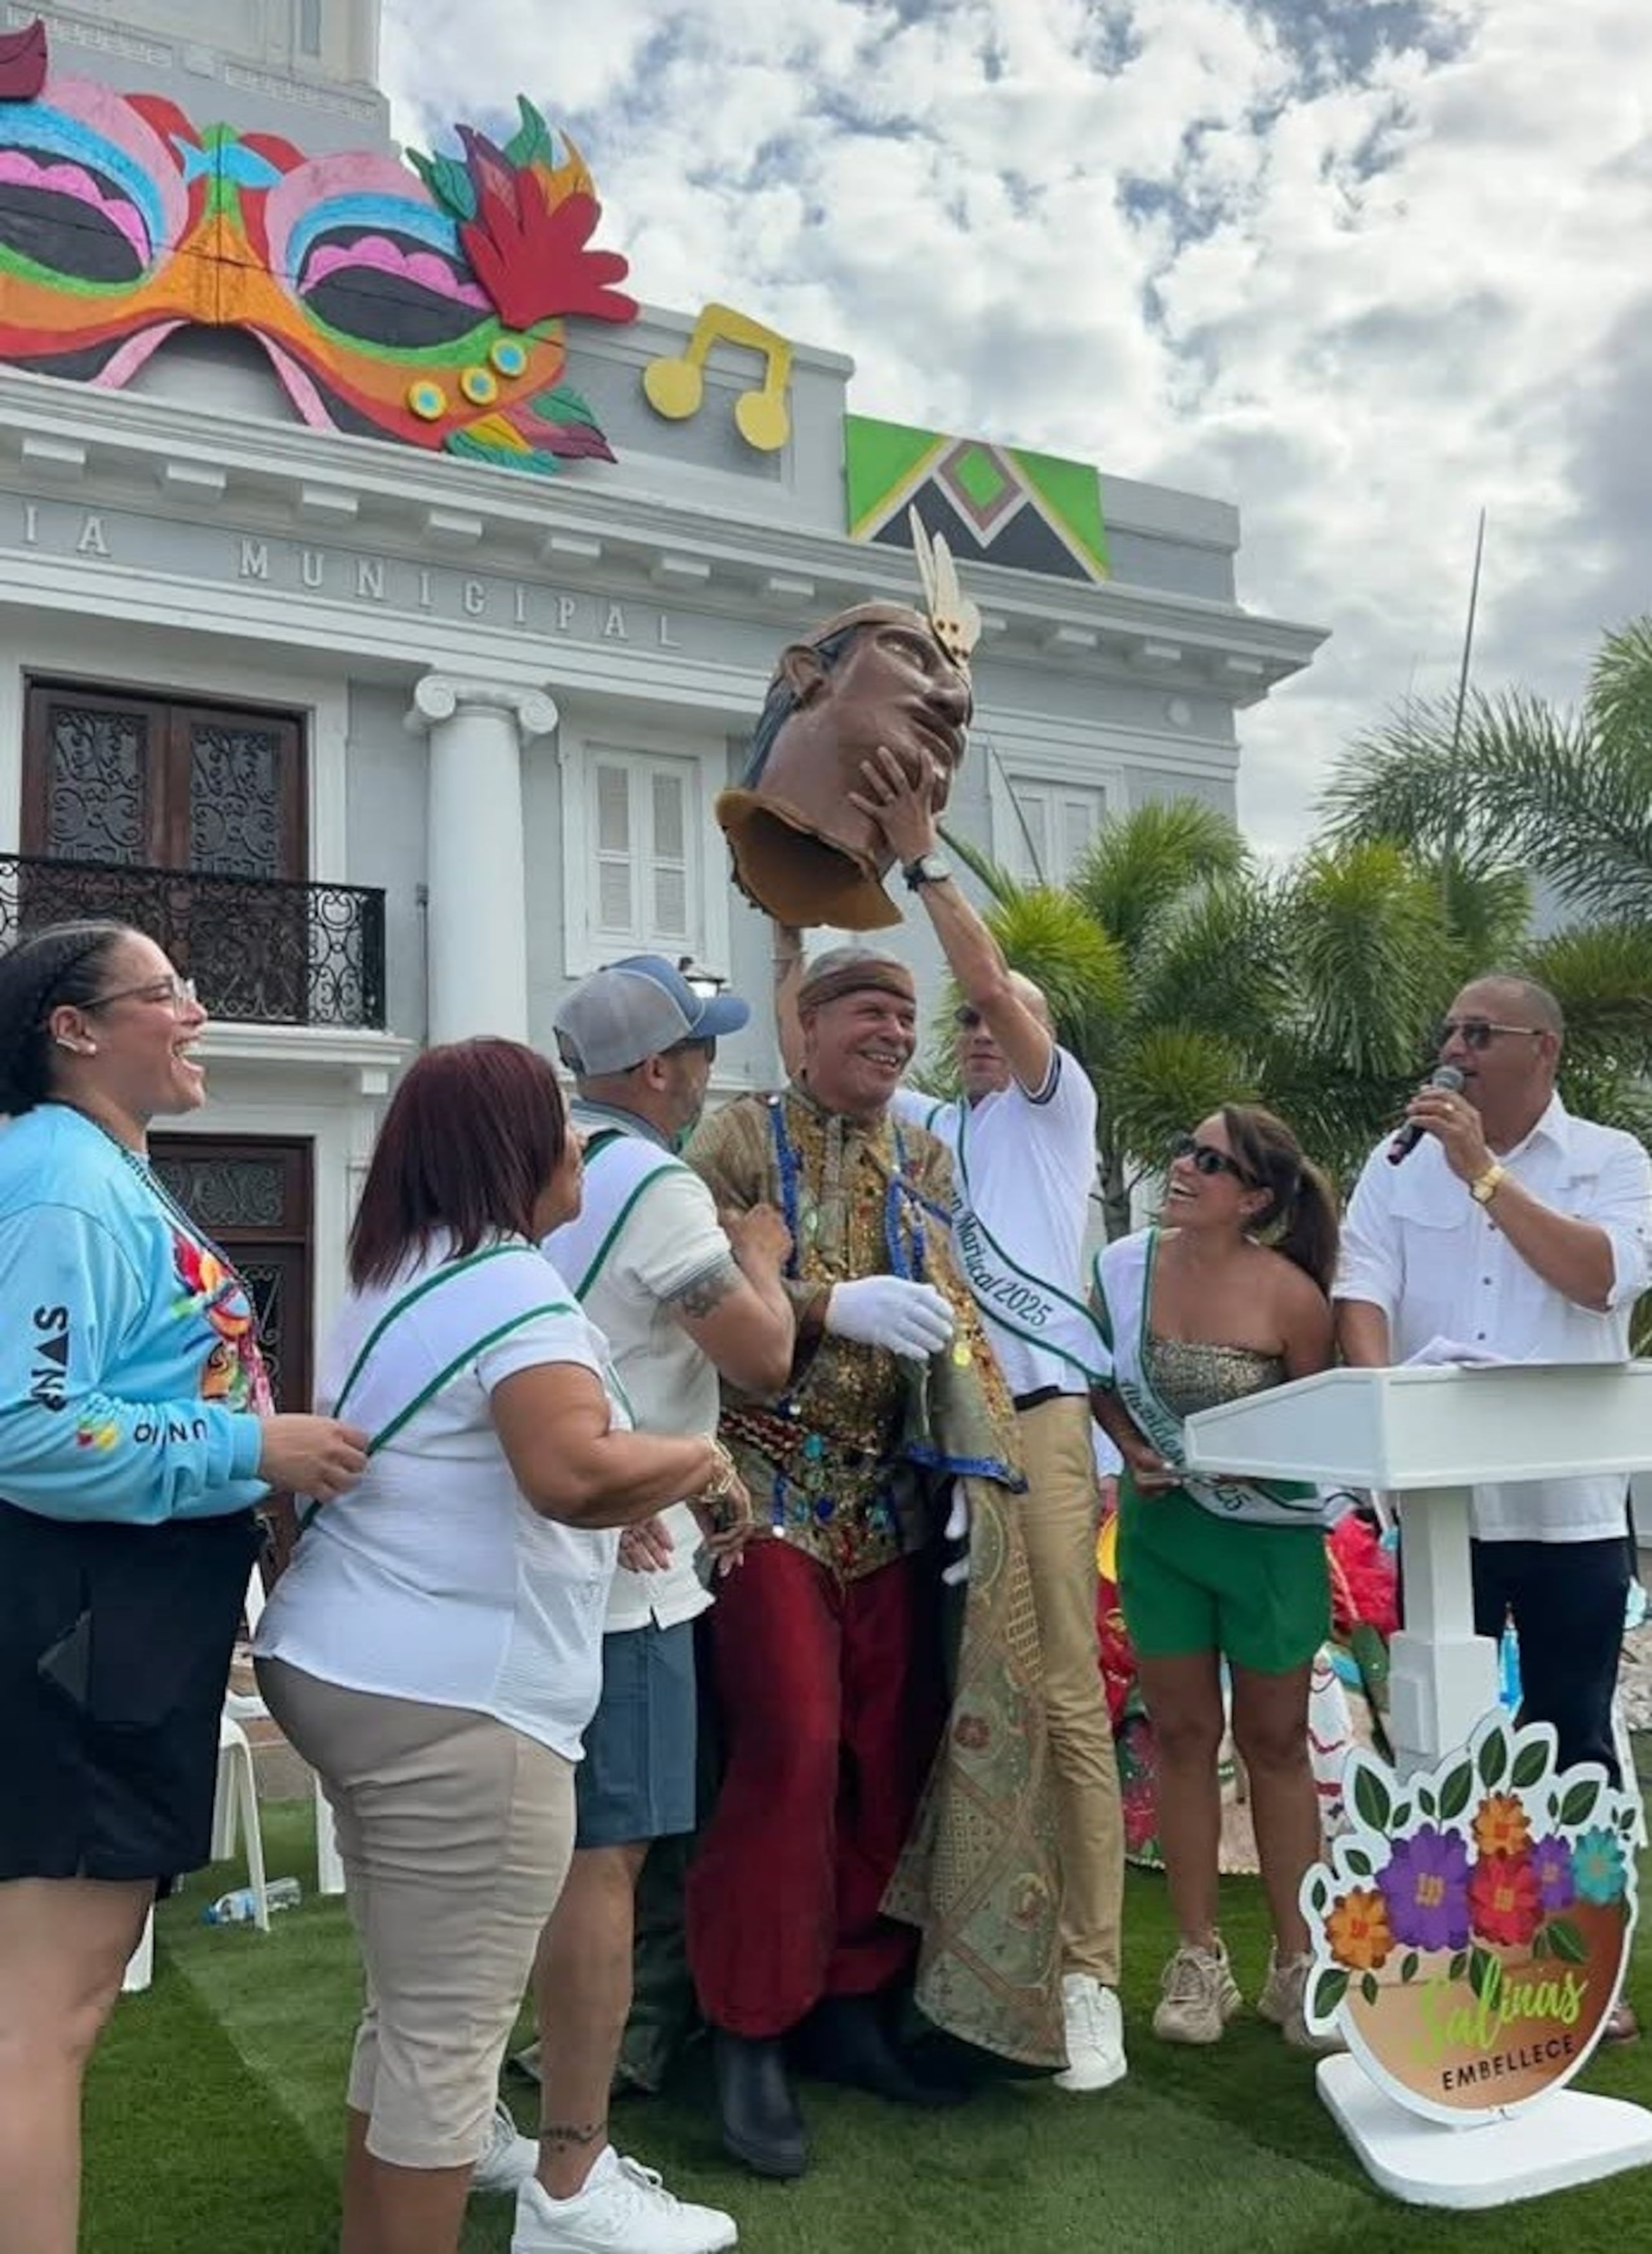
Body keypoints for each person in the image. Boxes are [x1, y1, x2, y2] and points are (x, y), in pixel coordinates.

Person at [253, 1039, 751, 2254]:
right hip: (457, 1700)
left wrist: (617, 1488)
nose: (580, 1141)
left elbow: (488, 1452)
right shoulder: (518, 1284)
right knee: (447, 2040)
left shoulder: (401, 1266)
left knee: (411, 2009)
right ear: (511, 1151)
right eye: (560, 1124)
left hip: (352, 1667)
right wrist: (698, 1462)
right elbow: (568, 1469)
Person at [0, 920, 367, 2254]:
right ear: (74, 1029)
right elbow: (29, 1430)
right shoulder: (56, 1178)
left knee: (55, 2006)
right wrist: (249, 1446)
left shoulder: (100, 1169)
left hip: (126, 1610)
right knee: (46, 2015)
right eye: (165, 993)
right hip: (89, 1614)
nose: (196, 1011)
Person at [779, 741, 1127, 2095]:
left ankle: (1090, 1972)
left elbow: (985, 975)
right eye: (966, 1028)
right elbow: (812, 1050)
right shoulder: (927, 1127)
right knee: (951, 1698)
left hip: (1032, 1427)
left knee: (1055, 1700)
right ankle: (965, 1961)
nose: (978, 1032)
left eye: (1000, 1019)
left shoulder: (1052, 1119)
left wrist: (924, 856)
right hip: (933, 1444)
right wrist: (795, 883)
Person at [685, 944, 1062, 2181]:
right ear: (802, 1030)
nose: (895, 1032)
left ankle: (853, 2001)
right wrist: (820, 1302)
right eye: (867, 1011)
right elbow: (690, 1293)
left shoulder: (930, 1156)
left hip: (894, 1500)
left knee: (887, 1750)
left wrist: (968, 1469)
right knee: (789, 1745)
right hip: (762, 1491)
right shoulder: (735, 1138)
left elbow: (955, 1313)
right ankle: (749, 2023)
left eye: (907, 1015)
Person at [513, 957, 794, 2254]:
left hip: (526, 1542)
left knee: (530, 1849)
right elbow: (762, 1357)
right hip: (622, 1567)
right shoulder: (658, 1184)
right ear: (653, 1071)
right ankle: (572, 2163)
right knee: (603, 1855)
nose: (707, 1075)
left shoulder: (538, 1169)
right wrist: (763, 1257)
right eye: (696, 1054)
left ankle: (478, 2105)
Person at [1335, 973, 1652, 2042]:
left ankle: (1579, 1964)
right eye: (1451, 1030)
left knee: (1570, 1739)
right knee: (1448, 1739)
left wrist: (1481, 1168)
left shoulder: (1611, 1161)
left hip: (1567, 1509)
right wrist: (1383, 1425)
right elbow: (1361, 1294)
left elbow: (1600, 1280)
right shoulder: (1392, 1165)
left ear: (1543, 1049)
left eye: (1482, 1032)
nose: (1456, 1048)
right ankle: (1466, 1953)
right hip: (1441, 1510)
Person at [1090, 1106, 1342, 2049]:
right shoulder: (1123, 1266)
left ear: (1257, 1198)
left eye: (1212, 1160)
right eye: (1184, 1148)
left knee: (1276, 1741)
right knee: (1184, 1734)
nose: (1184, 1167)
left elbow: (1321, 1426)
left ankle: (1298, 1958)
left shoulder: (1292, 1296)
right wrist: (1128, 1446)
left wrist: (1257, 1458)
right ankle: (1198, 1957)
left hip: (1267, 1541)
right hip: (1163, 1532)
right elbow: (1097, 1380)